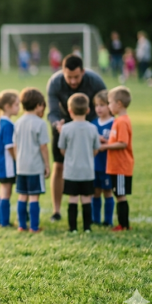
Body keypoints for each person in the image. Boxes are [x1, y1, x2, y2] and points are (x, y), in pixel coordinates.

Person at [45, 54, 106, 222]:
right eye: (69, 77)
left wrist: (95, 128)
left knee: (91, 165)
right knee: (59, 166)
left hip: (90, 126)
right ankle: (56, 210)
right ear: (62, 72)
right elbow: (52, 112)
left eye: (76, 77)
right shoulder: (55, 82)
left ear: (83, 72)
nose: (72, 81)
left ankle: (93, 212)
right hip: (63, 126)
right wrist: (57, 125)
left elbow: (105, 106)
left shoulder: (95, 81)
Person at [57, 93, 100, 233]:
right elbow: (96, 149)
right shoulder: (93, 128)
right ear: (88, 110)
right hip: (87, 171)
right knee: (87, 199)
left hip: (71, 171)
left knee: (73, 199)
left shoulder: (66, 129)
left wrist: (70, 156)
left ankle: (73, 228)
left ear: (70, 111)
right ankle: (87, 227)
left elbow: (62, 149)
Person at [14, 88, 50, 233]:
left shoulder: (18, 122)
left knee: (22, 195)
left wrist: (18, 161)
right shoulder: (40, 123)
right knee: (34, 196)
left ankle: (22, 225)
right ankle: (34, 227)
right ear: (38, 105)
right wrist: (47, 165)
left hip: (21, 166)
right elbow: (43, 147)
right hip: (35, 166)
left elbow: (15, 145)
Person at [98, 86, 133, 232]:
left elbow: (123, 143)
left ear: (118, 104)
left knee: (120, 196)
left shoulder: (122, 121)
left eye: (109, 103)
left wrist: (105, 147)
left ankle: (123, 225)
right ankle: (123, 224)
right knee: (118, 194)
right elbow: (116, 141)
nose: (108, 106)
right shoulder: (118, 121)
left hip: (120, 166)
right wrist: (106, 142)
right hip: (114, 166)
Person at [0, 90, 19, 228]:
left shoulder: (2, 122)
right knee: (6, 191)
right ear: (7, 106)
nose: (19, 108)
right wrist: (17, 160)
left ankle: (1, 221)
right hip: (7, 165)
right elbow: (9, 146)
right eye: (16, 105)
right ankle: (4, 222)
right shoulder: (8, 125)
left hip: (0, 163)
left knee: (2, 191)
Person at [92, 90, 114, 226]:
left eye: (102, 105)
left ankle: (108, 220)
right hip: (94, 164)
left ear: (109, 106)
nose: (98, 108)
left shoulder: (114, 123)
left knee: (108, 191)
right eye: (96, 105)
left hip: (108, 164)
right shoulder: (93, 123)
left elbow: (119, 141)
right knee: (95, 192)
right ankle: (95, 219)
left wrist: (105, 141)